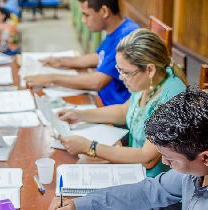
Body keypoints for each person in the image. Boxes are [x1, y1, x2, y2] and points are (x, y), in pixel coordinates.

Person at [48, 90, 208, 210]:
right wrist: (79, 206)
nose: (164, 162)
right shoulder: (195, 170)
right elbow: (146, 192)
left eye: (171, 159)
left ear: (206, 158)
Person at [58, 29, 187, 178]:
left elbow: (148, 158)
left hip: (154, 184)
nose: (121, 77)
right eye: (119, 70)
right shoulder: (150, 81)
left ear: (150, 69)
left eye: (125, 72)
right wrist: (79, 115)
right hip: (133, 170)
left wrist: (90, 147)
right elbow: (124, 111)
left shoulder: (171, 97)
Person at [24, 0, 138, 106]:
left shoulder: (126, 37)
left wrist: (51, 78)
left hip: (109, 105)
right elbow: (100, 57)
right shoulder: (119, 28)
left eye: (86, 15)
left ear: (104, 11)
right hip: (101, 98)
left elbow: (96, 82)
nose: (83, 20)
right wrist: (60, 61)